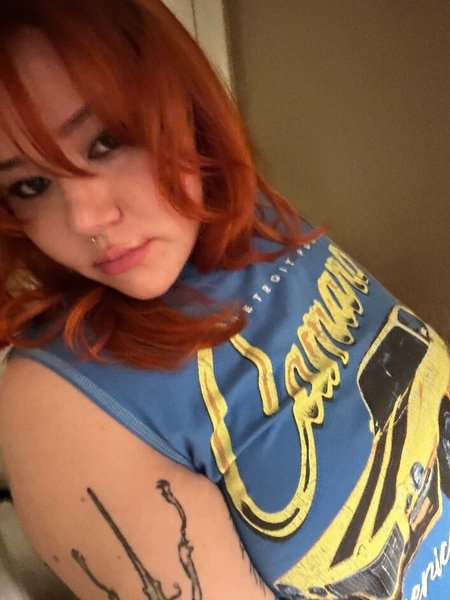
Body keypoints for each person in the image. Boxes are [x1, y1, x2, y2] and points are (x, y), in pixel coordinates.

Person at [0, 1, 448, 599]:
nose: (86, 219)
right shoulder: (56, 410)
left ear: (182, 105)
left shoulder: (252, 219)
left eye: (106, 141)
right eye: (29, 185)